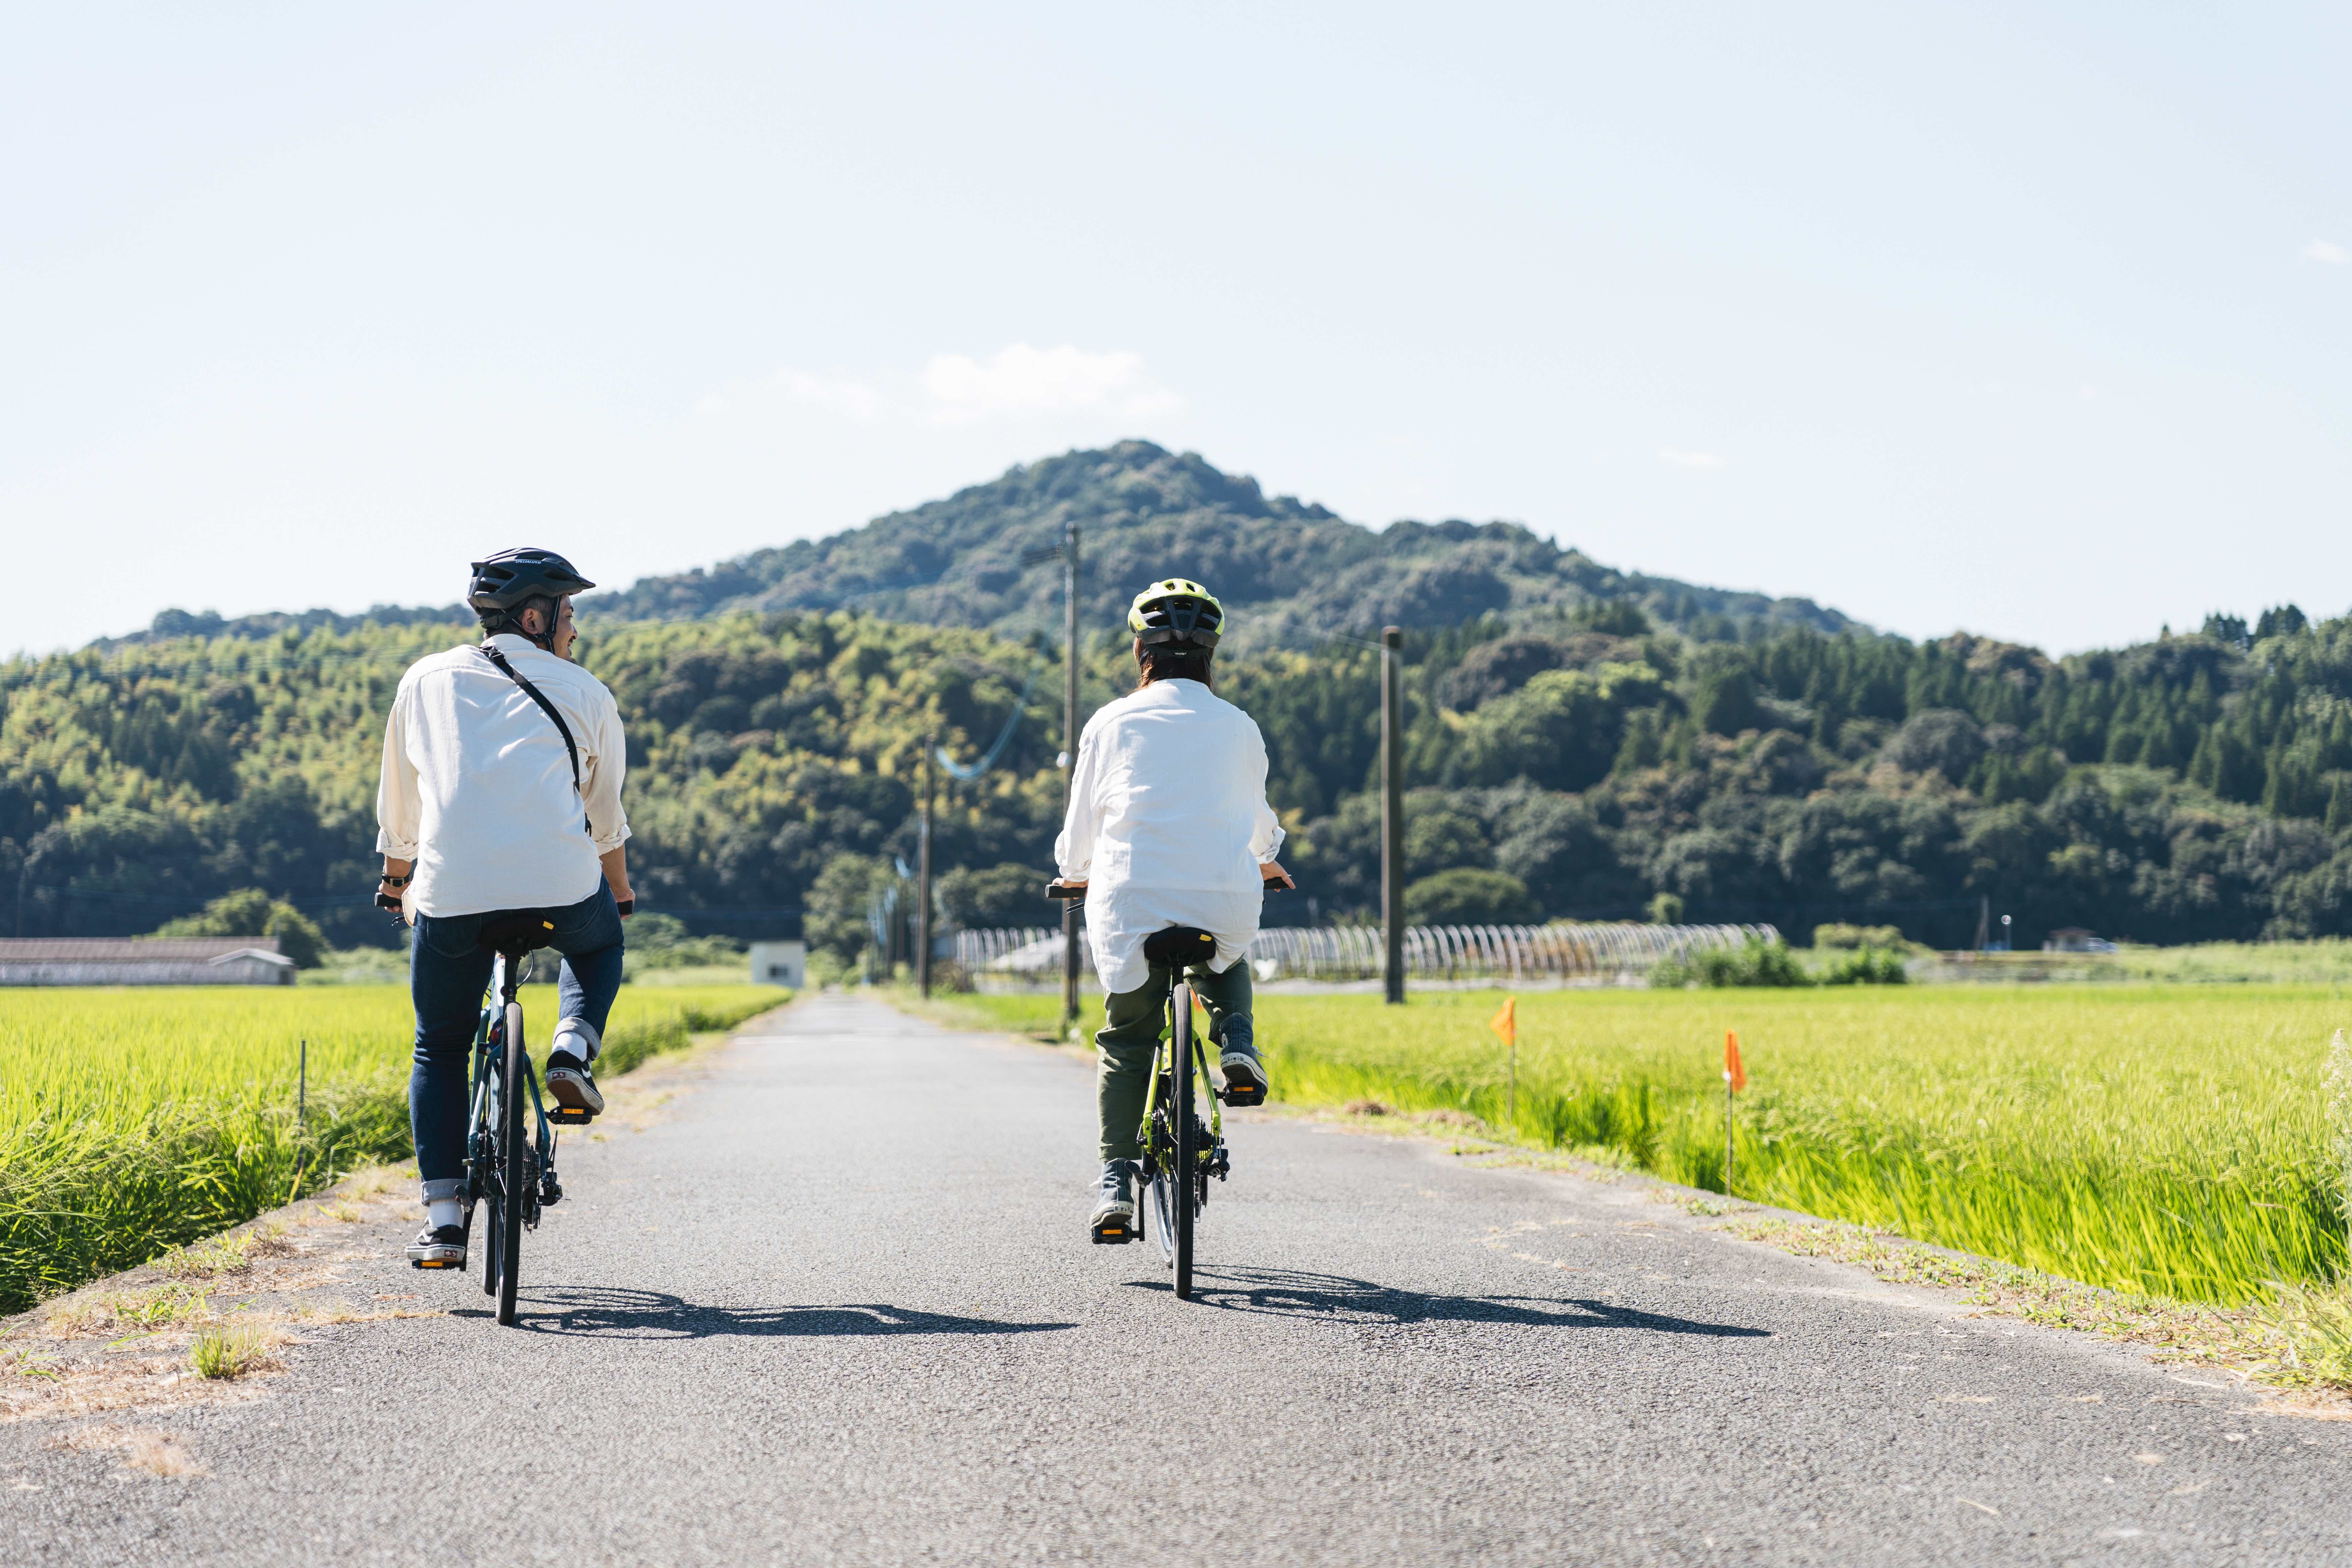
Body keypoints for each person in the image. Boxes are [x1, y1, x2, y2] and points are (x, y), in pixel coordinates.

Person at [375, 547, 635, 1270]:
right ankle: (570, 1049)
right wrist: (617, 891)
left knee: (440, 1045)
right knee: (598, 942)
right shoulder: (586, 691)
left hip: (452, 895)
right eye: (570, 612)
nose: (574, 628)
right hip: (559, 889)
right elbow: (605, 816)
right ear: (535, 616)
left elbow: (402, 808)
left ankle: (444, 1220)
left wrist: (397, 883)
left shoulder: (423, 679)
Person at [1053, 578, 1293, 1243]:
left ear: (1141, 650)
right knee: (1225, 950)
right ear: (1212, 652)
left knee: (1128, 1040)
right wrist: (1264, 855)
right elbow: (1257, 822)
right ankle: (1238, 1042)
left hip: (1130, 897)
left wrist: (1074, 874)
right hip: (1222, 892)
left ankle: (1114, 1183)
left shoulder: (1108, 721)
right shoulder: (1240, 725)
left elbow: (1082, 828)